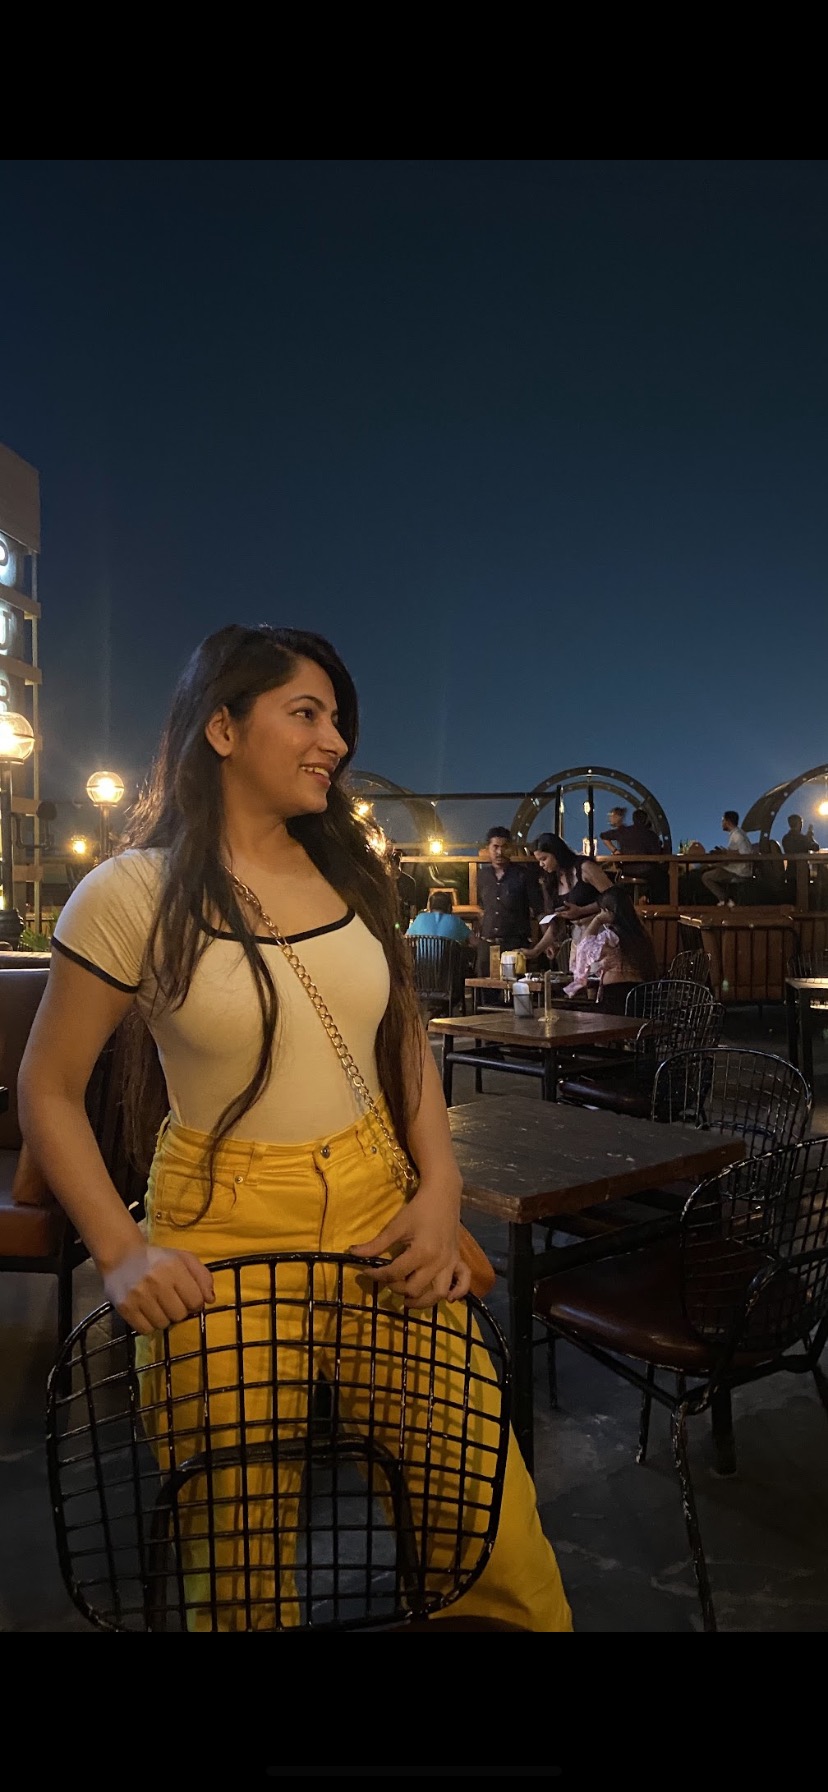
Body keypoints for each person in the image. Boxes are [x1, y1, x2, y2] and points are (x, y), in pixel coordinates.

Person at [17, 622, 571, 1634]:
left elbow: (401, 1039)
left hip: (379, 1207)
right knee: (237, 1549)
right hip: (219, 1225)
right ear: (222, 727)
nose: (335, 741)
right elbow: (48, 1087)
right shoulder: (132, 892)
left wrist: (440, 1189)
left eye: (338, 719)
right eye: (305, 713)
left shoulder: (351, 870)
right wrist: (123, 1253)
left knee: (484, 1514)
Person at [564, 885, 659, 1013]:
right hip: (642, 995)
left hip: (617, 996)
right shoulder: (642, 933)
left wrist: (597, 920)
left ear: (606, 911)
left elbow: (584, 949)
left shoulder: (611, 937)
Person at [523, 832, 613, 964]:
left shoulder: (584, 867)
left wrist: (581, 911)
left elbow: (614, 898)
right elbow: (556, 925)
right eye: (539, 861)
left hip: (600, 932)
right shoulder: (552, 879)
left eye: (544, 859)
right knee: (577, 975)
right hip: (577, 935)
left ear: (556, 853)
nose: (541, 864)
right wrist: (536, 951)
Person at [474, 825, 542, 976]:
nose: (499, 852)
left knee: (516, 988)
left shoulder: (523, 875)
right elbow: (481, 906)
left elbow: (539, 910)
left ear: (511, 849)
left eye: (504, 847)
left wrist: (543, 943)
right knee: (483, 987)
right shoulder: (482, 875)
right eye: (495, 847)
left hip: (514, 945)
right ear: (488, 848)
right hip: (487, 944)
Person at [701, 810, 755, 906]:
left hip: (738, 871)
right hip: (735, 868)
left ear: (728, 821)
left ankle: (725, 899)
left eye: (723, 820)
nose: (722, 823)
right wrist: (724, 852)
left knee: (706, 877)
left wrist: (726, 852)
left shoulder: (737, 835)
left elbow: (745, 853)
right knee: (710, 868)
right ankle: (726, 899)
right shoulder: (736, 834)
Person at [407, 888, 473, 944]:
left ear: (430, 907)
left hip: (422, 956)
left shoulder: (420, 918)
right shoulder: (456, 921)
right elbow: (474, 941)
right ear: (449, 907)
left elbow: (407, 938)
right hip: (448, 956)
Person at [387, 844, 418, 926]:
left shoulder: (409, 881)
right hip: (388, 917)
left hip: (403, 917)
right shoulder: (385, 880)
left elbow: (412, 904)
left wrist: (412, 922)